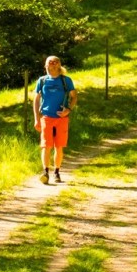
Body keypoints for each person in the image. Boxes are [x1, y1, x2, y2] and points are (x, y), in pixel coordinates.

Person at [33, 55, 77, 183]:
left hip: (61, 119)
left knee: (59, 147)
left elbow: (74, 97)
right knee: (46, 146)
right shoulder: (42, 81)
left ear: (59, 65)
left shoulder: (66, 81)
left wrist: (68, 110)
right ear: (45, 66)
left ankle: (57, 172)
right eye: (49, 63)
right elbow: (36, 100)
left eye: (54, 63)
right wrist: (36, 118)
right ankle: (45, 172)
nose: (51, 65)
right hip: (46, 118)